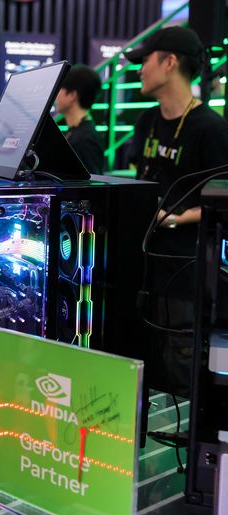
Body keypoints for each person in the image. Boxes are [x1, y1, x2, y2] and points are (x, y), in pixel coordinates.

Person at [125, 26, 228, 394]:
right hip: (147, 265)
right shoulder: (146, 121)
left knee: (180, 366)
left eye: (146, 61)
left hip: (186, 271)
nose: (140, 70)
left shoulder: (210, 128)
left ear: (169, 62)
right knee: (146, 362)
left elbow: (223, 205)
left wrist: (181, 218)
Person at [55, 64, 105, 174]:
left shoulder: (85, 139)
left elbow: (89, 186)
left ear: (72, 95)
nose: (56, 95)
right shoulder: (77, 132)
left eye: (60, 89)